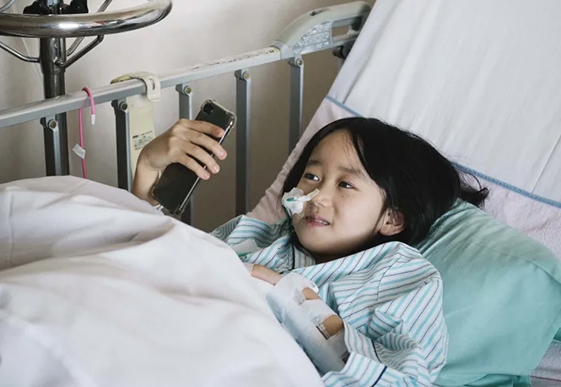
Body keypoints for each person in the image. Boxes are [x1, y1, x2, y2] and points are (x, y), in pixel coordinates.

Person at [133, 116, 488, 386]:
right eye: (312, 177)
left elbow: (402, 380)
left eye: (345, 184)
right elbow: (148, 264)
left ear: (392, 218)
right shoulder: (250, 235)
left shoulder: (399, 274)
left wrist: (291, 296)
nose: (317, 197)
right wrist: (148, 168)